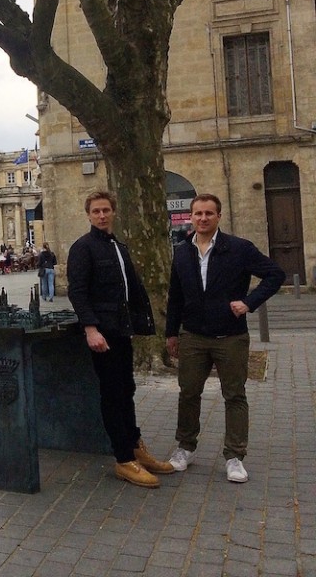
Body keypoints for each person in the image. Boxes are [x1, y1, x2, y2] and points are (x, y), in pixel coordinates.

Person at [165, 193, 284, 483]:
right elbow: (175, 295)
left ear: (219, 216)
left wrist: (248, 302)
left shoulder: (239, 249)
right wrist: (171, 332)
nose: (203, 218)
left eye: (209, 213)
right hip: (193, 336)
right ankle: (185, 448)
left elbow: (275, 274)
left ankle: (234, 456)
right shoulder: (182, 251)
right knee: (189, 393)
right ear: (191, 217)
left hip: (230, 336)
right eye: (198, 214)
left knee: (234, 395)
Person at [67, 190, 174, 488]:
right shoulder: (83, 248)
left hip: (122, 330)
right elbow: (78, 292)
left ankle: (135, 446)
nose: (101, 215)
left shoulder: (119, 246)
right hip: (103, 334)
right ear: (88, 215)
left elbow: (131, 290)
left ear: (113, 212)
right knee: (113, 394)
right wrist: (90, 329)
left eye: (106, 210)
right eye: (96, 211)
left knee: (126, 388)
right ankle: (123, 458)